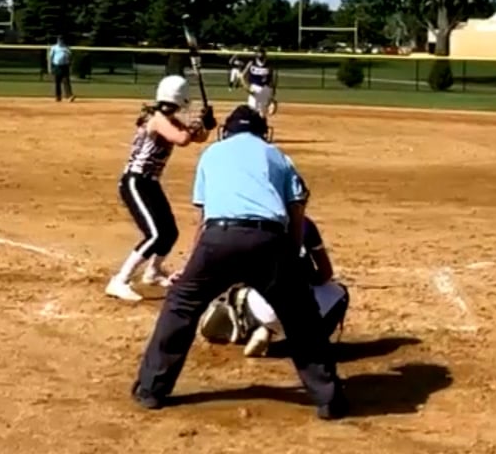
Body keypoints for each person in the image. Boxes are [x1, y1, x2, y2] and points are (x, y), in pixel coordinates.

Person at [130, 105, 347, 420]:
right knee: (301, 317)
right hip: (269, 239)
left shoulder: (211, 154)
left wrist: (191, 265)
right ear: (262, 132)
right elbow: (297, 211)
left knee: (181, 305)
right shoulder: (278, 156)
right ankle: (328, 398)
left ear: (226, 131)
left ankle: (151, 390)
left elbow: (204, 219)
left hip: (218, 237)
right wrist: (290, 256)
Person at [106, 75, 206, 301]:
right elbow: (182, 139)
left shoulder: (169, 119)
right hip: (135, 182)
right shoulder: (158, 119)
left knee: (169, 233)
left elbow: (197, 137)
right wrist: (197, 125)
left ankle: (152, 272)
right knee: (156, 234)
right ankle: (120, 280)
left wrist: (205, 124)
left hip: (149, 182)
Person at [197, 215, 350, 358]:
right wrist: (307, 280)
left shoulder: (251, 223)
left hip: (265, 307)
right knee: (340, 293)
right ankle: (312, 341)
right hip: (306, 310)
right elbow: (326, 273)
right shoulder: (305, 223)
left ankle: (255, 327)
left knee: (240, 290)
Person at [243, 48, 277, 118]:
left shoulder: (269, 64)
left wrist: (273, 92)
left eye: (262, 53)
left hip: (266, 88)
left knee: (262, 112)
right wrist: (246, 87)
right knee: (252, 109)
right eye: (259, 53)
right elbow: (242, 75)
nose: (260, 55)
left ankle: (261, 123)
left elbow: (273, 79)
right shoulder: (252, 63)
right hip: (254, 87)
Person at [48, 37, 74, 102]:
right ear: (57, 40)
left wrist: (70, 65)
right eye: (59, 40)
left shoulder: (66, 48)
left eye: (61, 40)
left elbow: (70, 57)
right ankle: (58, 96)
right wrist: (50, 67)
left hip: (65, 66)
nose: (60, 41)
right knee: (57, 82)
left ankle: (69, 96)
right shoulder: (54, 47)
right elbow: (50, 58)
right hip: (57, 66)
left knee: (66, 81)